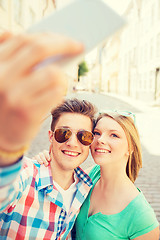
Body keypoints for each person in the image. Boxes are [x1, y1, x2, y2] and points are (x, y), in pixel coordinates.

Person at [0, 31, 98, 240]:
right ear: (51, 136)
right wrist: (7, 147)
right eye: (64, 133)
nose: (73, 143)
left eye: (84, 137)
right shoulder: (25, 175)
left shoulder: (86, 186)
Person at [37, 111, 159, 239]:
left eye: (114, 135)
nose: (100, 140)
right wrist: (46, 161)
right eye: (97, 133)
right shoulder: (89, 176)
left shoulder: (141, 215)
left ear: (130, 148)